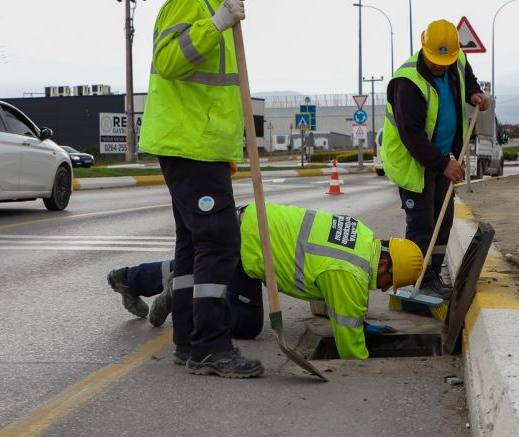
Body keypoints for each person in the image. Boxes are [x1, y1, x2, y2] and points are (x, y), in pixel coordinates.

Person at [113, 0, 271, 379]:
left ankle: (187, 341)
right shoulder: (193, 2)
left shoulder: (219, 5)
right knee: (219, 242)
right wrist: (215, 24)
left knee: (193, 247)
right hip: (188, 146)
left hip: (203, 149)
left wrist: (229, 150)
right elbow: (169, 61)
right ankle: (210, 346)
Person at [108, 202, 424, 360]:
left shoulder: (363, 237)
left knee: (195, 263)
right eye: (389, 281)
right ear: (384, 262)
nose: (384, 289)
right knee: (245, 325)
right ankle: (183, 290)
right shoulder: (350, 273)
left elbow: (323, 282)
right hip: (248, 247)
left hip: (250, 220)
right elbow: (351, 349)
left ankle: (128, 279)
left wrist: (360, 321)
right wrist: (363, 348)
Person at [380, 19, 488, 300]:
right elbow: (412, 135)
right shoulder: (407, 82)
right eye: (435, 60)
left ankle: (433, 277)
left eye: (446, 60)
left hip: (441, 157)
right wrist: (444, 164)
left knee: (444, 220)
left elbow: (467, 77)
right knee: (422, 224)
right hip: (413, 161)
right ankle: (420, 280)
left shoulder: (456, 58)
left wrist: (474, 93)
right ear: (424, 49)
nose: (441, 66)